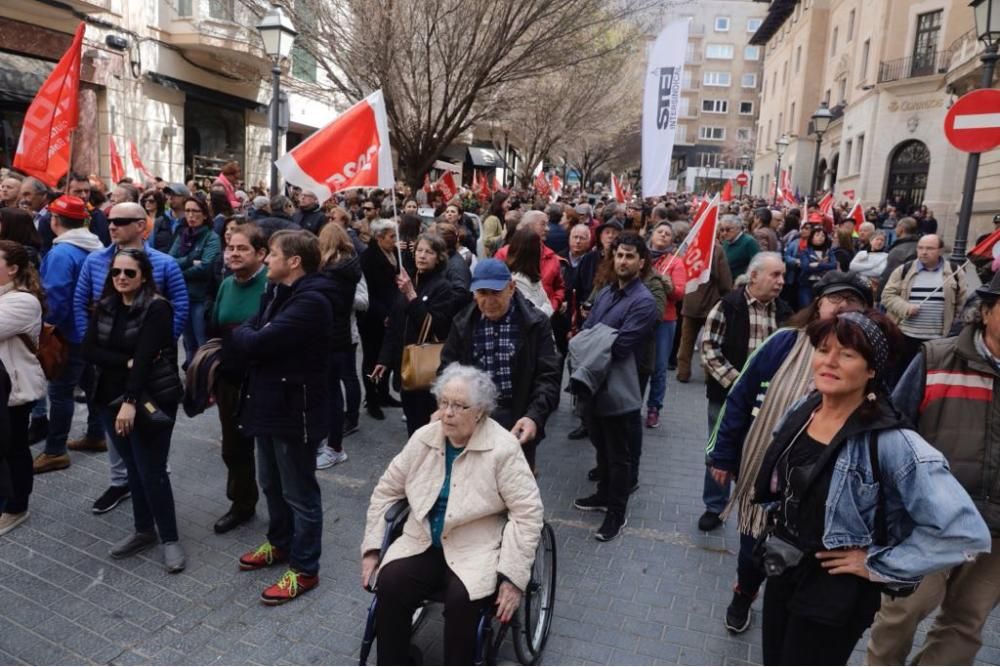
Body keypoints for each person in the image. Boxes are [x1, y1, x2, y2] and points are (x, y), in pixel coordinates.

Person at [753, 310, 991, 665]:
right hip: (785, 568)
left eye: (847, 354)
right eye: (823, 349)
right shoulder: (805, 409)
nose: (829, 361)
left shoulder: (893, 442)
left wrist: (879, 563)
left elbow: (964, 532)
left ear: (872, 370)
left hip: (834, 590)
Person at [705, 271, 872, 634]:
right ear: (818, 305)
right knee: (753, 549)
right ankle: (744, 593)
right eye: (834, 299)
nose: (842, 306)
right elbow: (740, 396)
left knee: (803, 557)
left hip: (824, 484)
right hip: (765, 471)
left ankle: (787, 612)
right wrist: (722, 454)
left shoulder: (872, 362)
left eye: (853, 302)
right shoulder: (783, 342)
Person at [361, 363, 544, 666]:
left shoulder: (503, 449)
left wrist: (514, 579)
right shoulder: (424, 438)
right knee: (390, 582)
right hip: (422, 541)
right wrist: (371, 550)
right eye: (443, 403)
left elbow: (527, 514)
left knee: (463, 601)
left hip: (477, 548)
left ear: (480, 411)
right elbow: (386, 491)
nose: (447, 413)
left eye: (459, 406)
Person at [867, 270, 1000, 665]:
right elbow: (894, 431)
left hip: (996, 529)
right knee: (902, 612)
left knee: (965, 623)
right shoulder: (937, 359)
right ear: (988, 312)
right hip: (928, 521)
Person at [231, 230, 335, 604]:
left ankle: (305, 569)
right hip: (268, 403)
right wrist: (251, 334)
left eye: (272, 254)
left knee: (299, 492)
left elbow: (253, 340)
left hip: (295, 411)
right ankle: (279, 543)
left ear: (294, 262)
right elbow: (250, 329)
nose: (266, 259)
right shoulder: (277, 292)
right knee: (270, 483)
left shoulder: (312, 302)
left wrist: (250, 335)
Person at [75, 202, 189, 515]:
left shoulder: (164, 264)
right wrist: (98, 350)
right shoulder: (94, 260)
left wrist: (157, 350)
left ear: (142, 225)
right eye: (110, 220)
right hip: (108, 367)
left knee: (150, 430)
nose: (112, 226)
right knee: (115, 431)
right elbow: (82, 303)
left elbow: (178, 306)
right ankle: (120, 482)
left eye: (121, 221)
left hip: (149, 369)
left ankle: (154, 480)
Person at [82, 249, 186, 571]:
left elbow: (144, 359)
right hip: (107, 399)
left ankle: (169, 539)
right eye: (116, 272)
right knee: (133, 467)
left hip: (148, 399)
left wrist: (129, 400)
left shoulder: (157, 308)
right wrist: (121, 362)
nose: (122, 278)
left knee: (152, 471)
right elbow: (88, 349)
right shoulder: (106, 306)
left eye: (129, 272)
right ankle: (144, 530)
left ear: (144, 276)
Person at [572, 233, 659, 542]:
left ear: (642, 262)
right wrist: (598, 337)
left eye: (630, 256)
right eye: (620, 255)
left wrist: (596, 338)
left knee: (619, 454)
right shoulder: (607, 293)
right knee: (601, 446)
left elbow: (621, 346)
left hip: (619, 388)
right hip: (594, 384)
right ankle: (603, 494)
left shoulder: (644, 302)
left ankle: (616, 514)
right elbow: (586, 331)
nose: (623, 261)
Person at [698, 252, 790, 532]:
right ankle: (715, 506)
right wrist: (738, 384)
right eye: (775, 275)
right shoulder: (728, 305)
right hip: (727, 395)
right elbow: (709, 349)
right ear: (753, 276)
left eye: (783, 276)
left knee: (762, 450)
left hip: (768, 400)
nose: (781, 282)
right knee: (720, 449)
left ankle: (754, 504)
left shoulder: (785, 312)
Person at [439, 260, 562, 469]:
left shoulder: (535, 323)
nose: (488, 301)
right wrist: (444, 404)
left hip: (516, 418)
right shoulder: (463, 322)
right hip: (473, 418)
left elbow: (548, 377)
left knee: (514, 489)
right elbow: (446, 370)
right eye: (482, 293)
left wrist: (534, 416)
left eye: (495, 292)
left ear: (511, 288)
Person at [32, 196, 104, 474]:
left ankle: (55, 451)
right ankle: (97, 434)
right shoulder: (95, 246)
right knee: (92, 385)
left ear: (55, 221)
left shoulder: (62, 253)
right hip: (90, 332)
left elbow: (56, 299)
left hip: (69, 335)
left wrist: (46, 330)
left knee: (61, 393)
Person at [208, 223, 268, 534]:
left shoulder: (272, 286)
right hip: (230, 380)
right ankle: (242, 503)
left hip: (265, 381)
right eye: (230, 247)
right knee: (233, 448)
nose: (233, 253)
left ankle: (285, 513)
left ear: (261, 253)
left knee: (272, 453)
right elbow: (217, 328)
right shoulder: (227, 284)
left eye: (242, 248)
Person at [373, 233, 458, 436]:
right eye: (419, 250)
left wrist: (412, 296)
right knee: (413, 425)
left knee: (430, 427)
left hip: (428, 368)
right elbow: (394, 325)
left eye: (429, 252)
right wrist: (384, 359)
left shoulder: (443, 287)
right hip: (406, 366)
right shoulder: (408, 280)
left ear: (438, 257)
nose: (422, 256)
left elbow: (435, 326)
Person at [0, 241, 46, 535]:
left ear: (13, 269)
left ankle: (17, 506)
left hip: (15, 389)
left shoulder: (23, 301)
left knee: (14, 448)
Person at [881, 234, 967, 375]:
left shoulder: (954, 272)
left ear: (940, 251)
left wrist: (952, 327)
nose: (924, 252)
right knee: (900, 375)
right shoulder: (905, 270)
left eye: (929, 248)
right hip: (905, 336)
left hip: (937, 339)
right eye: (920, 248)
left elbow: (961, 302)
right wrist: (905, 308)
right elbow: (887, 295)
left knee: (928, 376)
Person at [315, 223, 362, 470]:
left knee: (331, 393)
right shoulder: (347, 268)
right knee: (331, 390)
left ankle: (334, 447)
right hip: (339, 335)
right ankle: (328, 442)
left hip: (332, 337)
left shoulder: (331, 273)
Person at [169, 197, 221, 367]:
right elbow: (170, 261)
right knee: (188, 344)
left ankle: (204, 382)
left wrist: (180, 268)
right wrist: (190, 259)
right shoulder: (182, 234)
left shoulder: (211, 237)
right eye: (188, 211)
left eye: (195, 211)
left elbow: (205, 267)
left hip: (201, 298)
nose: (190, 215)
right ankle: (192, 383)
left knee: (202, 344)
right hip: (183, 297)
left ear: (205, 214)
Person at [360, 220, 404, 420]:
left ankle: (384, 393)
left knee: (387, 356)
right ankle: (372, 398)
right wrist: (383, 314)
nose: (395, 241)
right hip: (374, 316)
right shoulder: (368, 258)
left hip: (392, 311)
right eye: (391, 237)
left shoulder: (394, 253)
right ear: (379, 237)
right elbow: (369, 291)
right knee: (372, 359)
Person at [676, 234, 733, 383]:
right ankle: (709, 374)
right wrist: (726, 294)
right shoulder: (718, 250)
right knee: (709, 341)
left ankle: (683, 372)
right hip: (711, 303)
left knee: (686, 341)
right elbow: (725, 280)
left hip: (690, 301)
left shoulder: (689, 248)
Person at [647, 223, 687, 428]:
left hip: (664, 320)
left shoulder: (676, 261)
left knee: (659, 366)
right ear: (651, 235)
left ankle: (654, 407)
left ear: (672, 240)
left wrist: (667, 282)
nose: (663, 235)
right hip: (640, 318)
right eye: (659, 231)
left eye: (667, 234)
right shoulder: (640, 256)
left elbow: (680, 293)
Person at [505, 227, 553, 316]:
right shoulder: (517, 280)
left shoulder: (533, 277)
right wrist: (545, 307)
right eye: (539, 246)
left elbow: (549, 306)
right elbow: (534, 314)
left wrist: (546, 307)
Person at [877, 216, 919, 300]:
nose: (895, 229)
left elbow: (889, 275)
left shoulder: (898, 250)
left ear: (901, 229)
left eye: (896, 227)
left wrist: (878, 296)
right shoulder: (919, 246)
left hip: (895, 295)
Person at [797, 227, 838, 308]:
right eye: (817, 235)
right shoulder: (805, 251)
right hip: (807, 284)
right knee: (806, 307)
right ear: (811, 238)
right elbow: (806, 267)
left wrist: (818, 265)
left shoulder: (829, 252)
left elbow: (834, 265)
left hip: (824, 285)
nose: (820, 237)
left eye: (823, 236)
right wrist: (825, 265)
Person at [151, 183, 190, 253]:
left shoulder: (191, 221)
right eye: (169, 194)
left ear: (185, 198)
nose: (170, 198)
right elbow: (150, 247)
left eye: (174, 194)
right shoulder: (160, 220)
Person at [481, 192, 510, 257]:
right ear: (500, 202)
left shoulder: (502, 217)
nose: (510, 205)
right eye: (508, 202)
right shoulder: (492, 219)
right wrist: (502, 236)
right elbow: (487, 241)